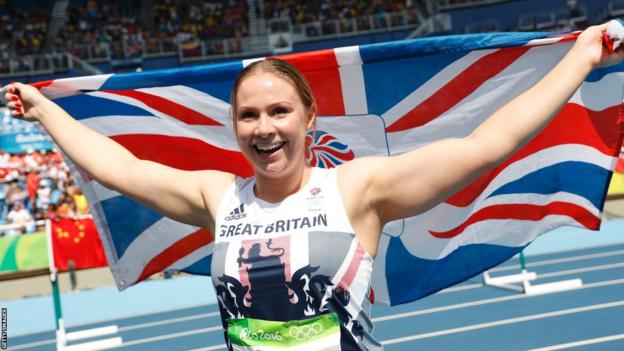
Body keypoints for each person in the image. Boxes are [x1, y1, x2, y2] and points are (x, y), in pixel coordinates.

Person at [3, 23, 623, 350]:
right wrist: (44, 109)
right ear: (234, 127)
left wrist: (581, 59)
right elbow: (120, 169)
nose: (264, 128)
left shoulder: (357, 190)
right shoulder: (219, 198)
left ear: (308, 120)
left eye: (279, 113)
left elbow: (487, 145)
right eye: (249, 115)